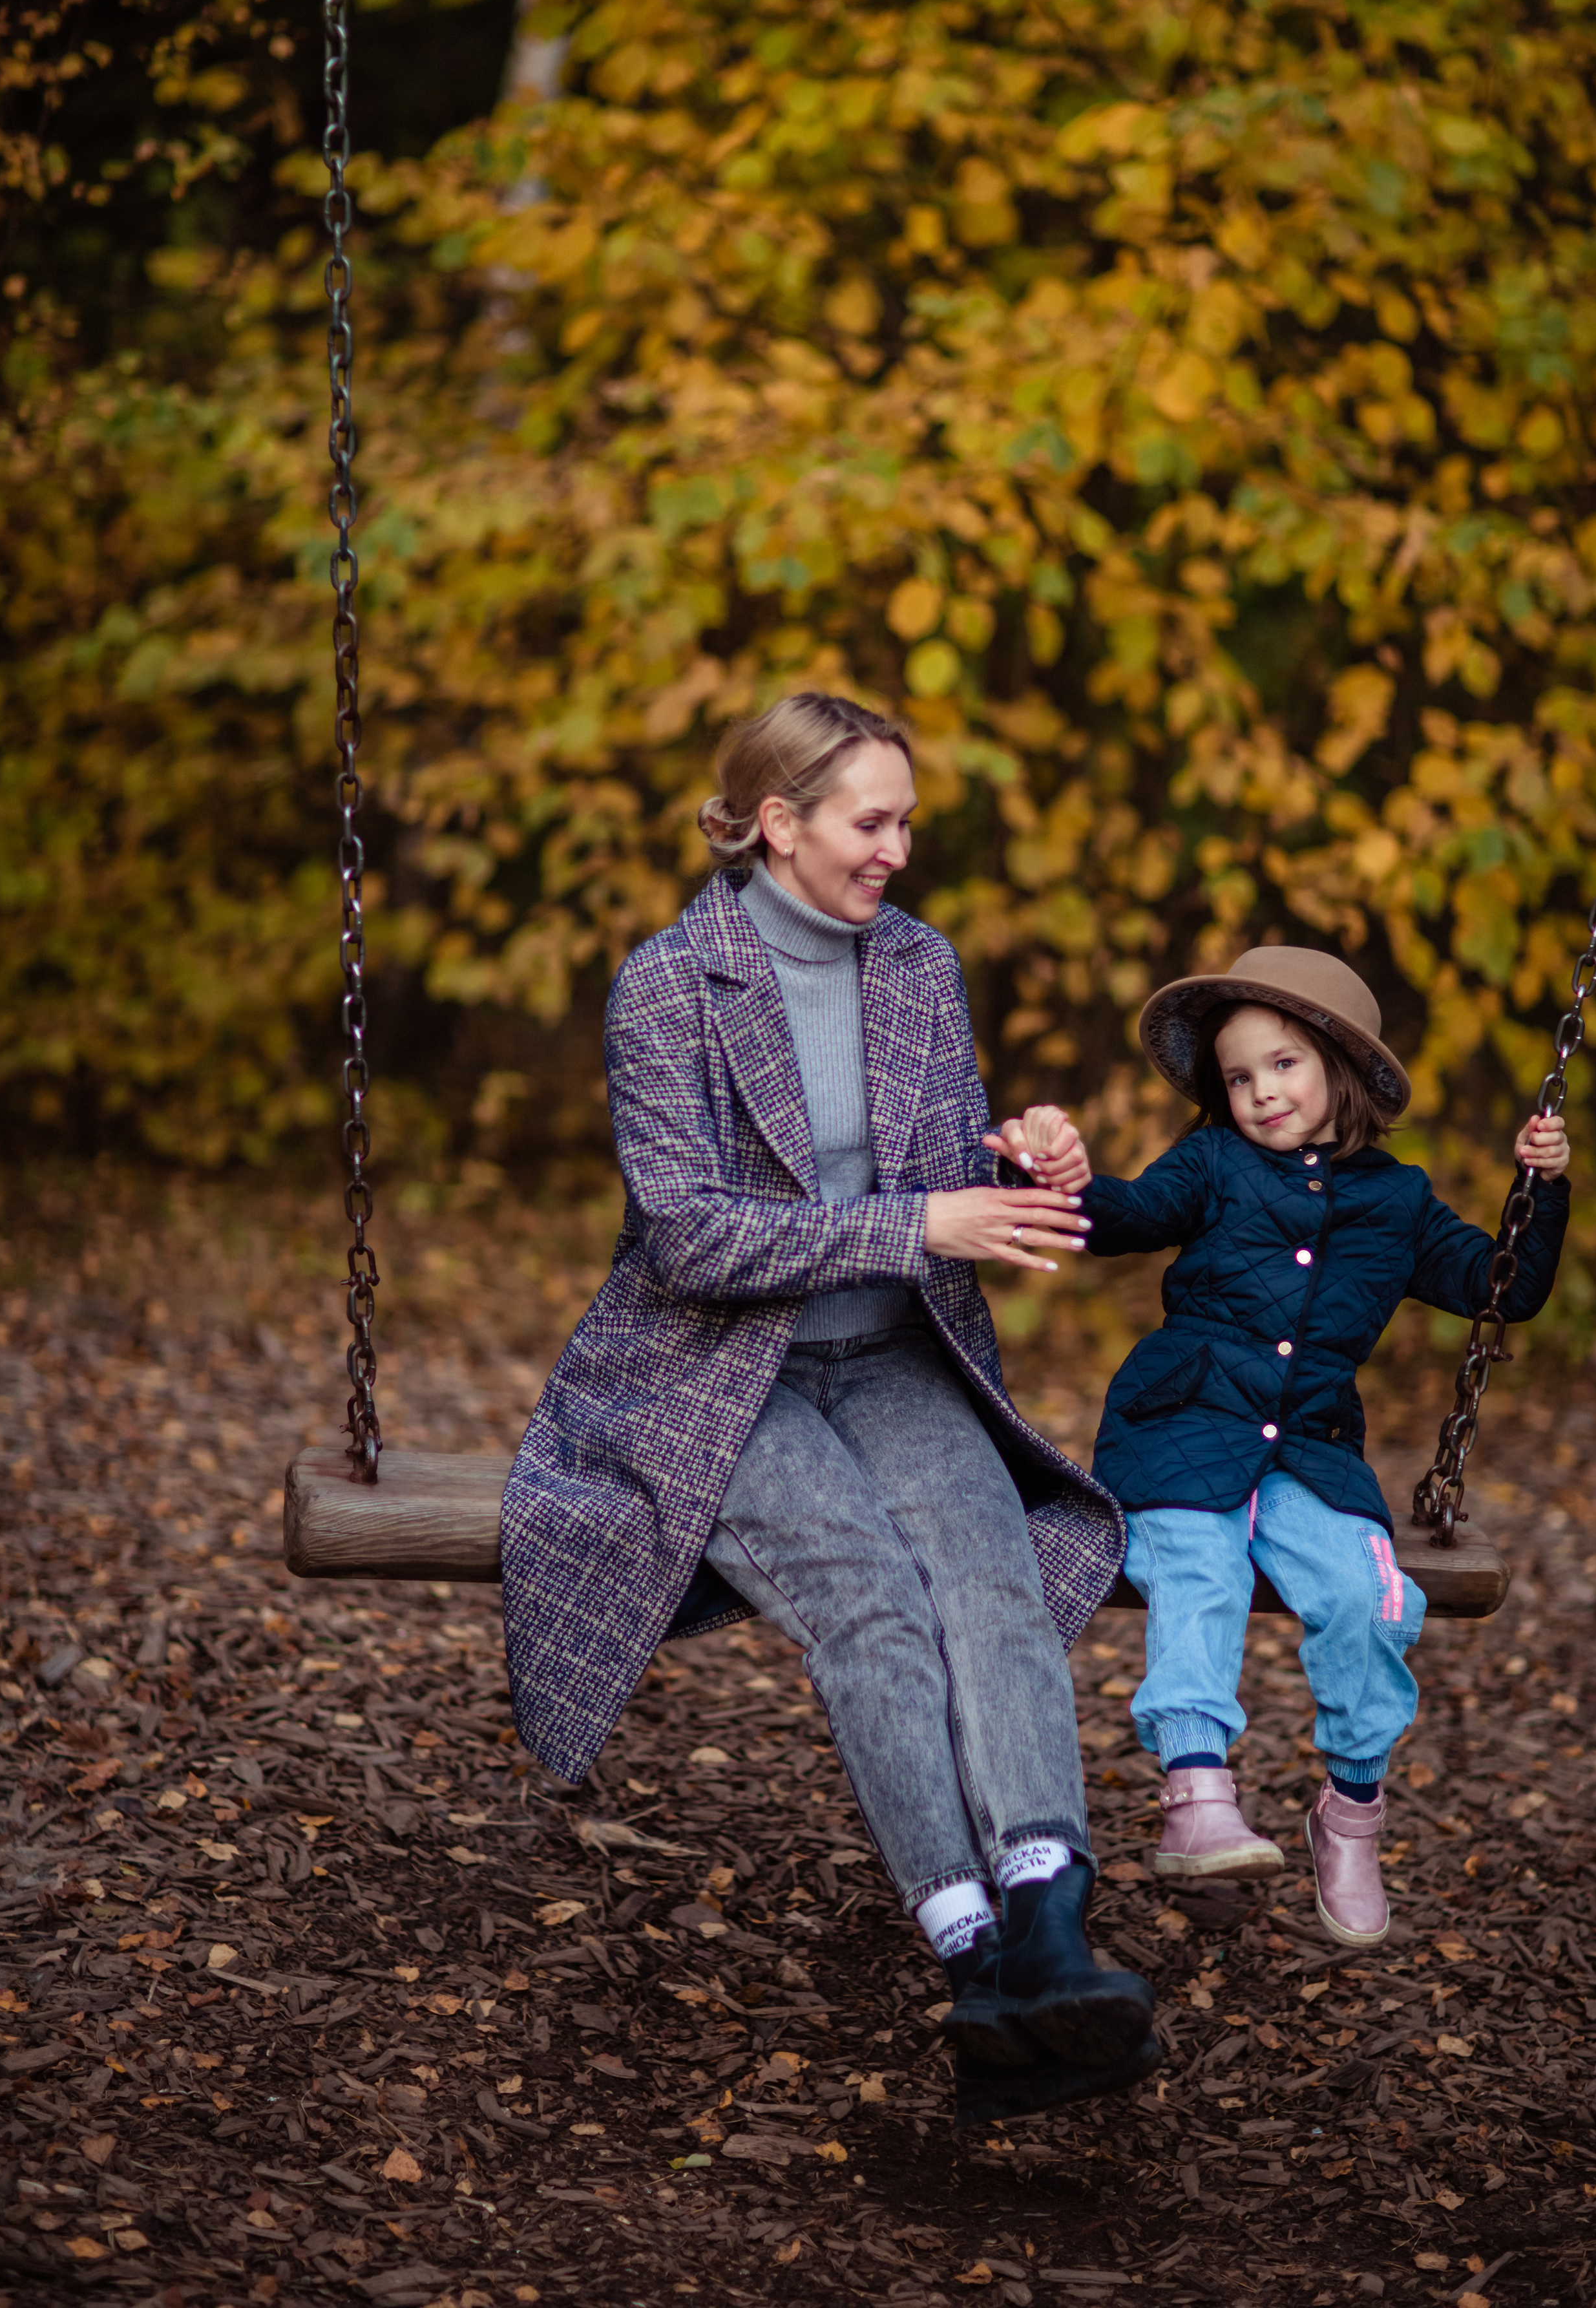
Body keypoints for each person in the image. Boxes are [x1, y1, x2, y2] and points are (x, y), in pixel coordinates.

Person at [501, 692, 1157, 2123]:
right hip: (716, 1374)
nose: (897, 853)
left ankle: (1048, 1916)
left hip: (895, 1359)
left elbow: (953, 1179)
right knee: (866, 1595)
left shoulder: (919, 968)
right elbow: (691, 1240)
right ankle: (968, 1950)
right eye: (872, 822)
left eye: (906, 821)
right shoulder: (667, 987)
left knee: (985, 1573)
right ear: (780, 822)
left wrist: (1032, 1153)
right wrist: (920, 1222)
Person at [1052, 944, 1569, 1947]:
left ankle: (1352, 1809)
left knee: (1366, 1597)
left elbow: (1500, 1288)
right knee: (1198, 1570)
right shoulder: (1211, 1164)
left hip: (1312, 1453)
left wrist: (1538, 1191)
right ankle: (1197, 1793)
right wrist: (1062, 1181)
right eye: (1239, 1077)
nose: (1259, 1092)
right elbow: (1127, 1216)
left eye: (1282, 1064)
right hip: (1182, 1429)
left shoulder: (1399, 1203)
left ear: (1340, 1065)